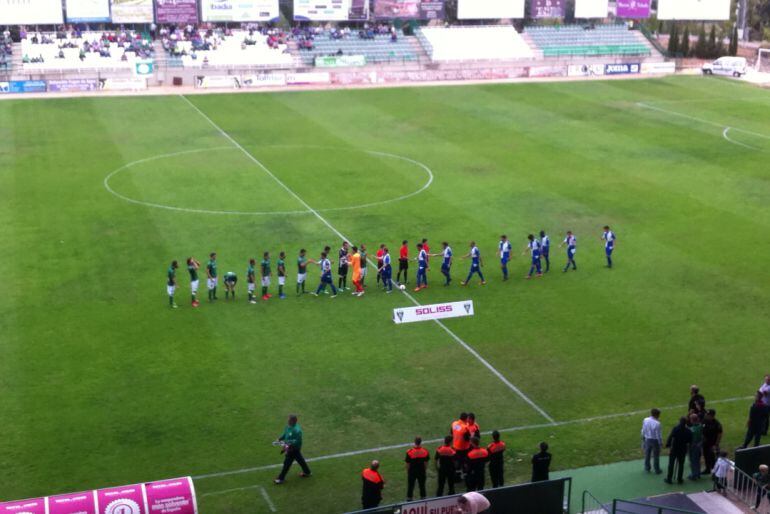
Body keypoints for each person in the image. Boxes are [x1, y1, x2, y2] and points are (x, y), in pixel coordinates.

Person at [273, 414, 312, 484]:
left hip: (293, 448)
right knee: (300, 460)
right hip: (290, 447)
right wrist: (279, 439)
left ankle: (280, 478)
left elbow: (297, 441)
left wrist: (287, 442)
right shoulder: (288, 426)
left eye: (289, 420)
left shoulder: (297, 430)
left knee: (287, 463)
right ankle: (307, 472)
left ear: (293, 421)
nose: (287, 421)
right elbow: (285, 434)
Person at [665, 416, 692, 484]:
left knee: (671, 464)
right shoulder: (688, 431)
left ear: (680, 421)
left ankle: (669, 479)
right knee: (681, 464)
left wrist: (668, 445)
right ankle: (679, 479)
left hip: (674, 448)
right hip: (683, 449)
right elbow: (690, 441)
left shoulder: (675, 428)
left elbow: (671, 437)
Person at [405, 436, 429, 501]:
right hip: (421, 471)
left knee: (410, 486)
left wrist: (408, 471)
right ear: (420, 442)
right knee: (422, 486)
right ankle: (423, 498)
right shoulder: (425, 451)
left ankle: (409, 498)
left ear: (414, 442)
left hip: (412, 472)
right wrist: (424, 469)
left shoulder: (409, 452)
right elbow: (426, 463)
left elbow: (407, 463)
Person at [641, 408, 663, 474]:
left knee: (647, 454)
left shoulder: (645, 419)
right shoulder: (657, 423)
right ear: (657, 415)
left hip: (647, 439)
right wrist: (660, 443)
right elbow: (658, 435)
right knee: (656, 455)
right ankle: (657, 469)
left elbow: (643, 429)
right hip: (655, 441)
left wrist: (643, 438)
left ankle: (647, 467)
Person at [702, 409, 723, 475]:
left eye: (708, 415)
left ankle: (714, 472)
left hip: (712, 444)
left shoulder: (717, 424)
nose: (706, 415)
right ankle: (707, 469)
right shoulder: (705, 421)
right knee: (706, 456)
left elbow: (719, 434)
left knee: (713, 458)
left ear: (712, 416)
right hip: (705, 443)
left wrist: (716, 444)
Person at [452, 413, 471, 481]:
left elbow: (452, 433)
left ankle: (457, 476)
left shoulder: (454, 423)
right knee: (464, 462)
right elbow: (467, 439)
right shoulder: (465, 428)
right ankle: (465, 475)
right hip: (463, 448)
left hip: (455, 446)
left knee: (457, 461)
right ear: (466, 419)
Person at [687, 413, 703, 480]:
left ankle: (694, 475)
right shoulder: (701, 426)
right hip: (699, 445)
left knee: (693, 461)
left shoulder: (691, 429)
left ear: (691, 420)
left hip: (693, 446)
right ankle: (698, 473)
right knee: (697, 460)